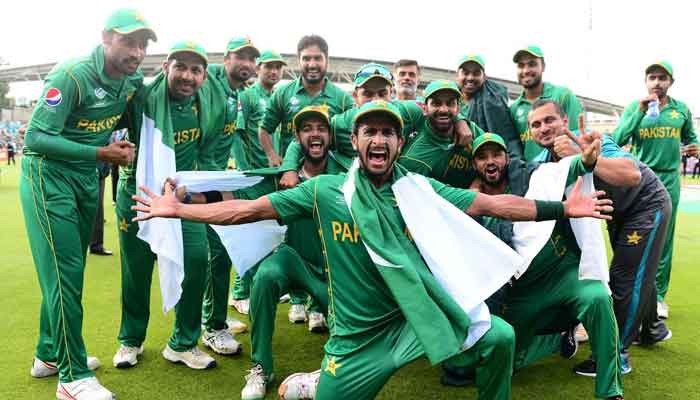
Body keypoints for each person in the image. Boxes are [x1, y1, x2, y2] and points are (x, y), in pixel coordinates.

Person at [132, 100, 613, 400]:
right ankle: (317, 382)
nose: (379, 139)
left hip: (414, 317)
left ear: (399, 142)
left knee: (500, 337)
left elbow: (491, 203)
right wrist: (178, 210)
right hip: (357, 339)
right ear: (357, 141)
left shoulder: (419, 189)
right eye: (370, 131)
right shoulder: (326, 192)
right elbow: (248, 210)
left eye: (388, 132)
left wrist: (562, 208)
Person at [19, 8, 155, 400]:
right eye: (128, 41)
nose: (136, 51)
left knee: (70, 271)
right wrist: (101, 153)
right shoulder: (72, 75)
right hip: (48, 177)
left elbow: (128, 119)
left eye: (142, 44)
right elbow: (35, 139)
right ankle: (72, 376)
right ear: (106, 37)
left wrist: (121, 148)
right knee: (64, 275)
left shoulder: (131, 81)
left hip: (85, 179)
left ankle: (48, 355)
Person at [175, 106, 347, 399]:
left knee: (348, 331)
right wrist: (188, 196)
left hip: (336, 270)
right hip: (293, 260)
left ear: (330, 136)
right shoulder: (282, 178)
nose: (315, 134)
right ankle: (261, 367)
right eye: (307, 129)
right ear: (297, 138)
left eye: (321, 128)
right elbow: (235, 196)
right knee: (266, 277)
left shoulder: (346, 174)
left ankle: (338, 370)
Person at [469, 127, 624, 399]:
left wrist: (586, 160)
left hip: (563, 274)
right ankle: (557, 340)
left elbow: (564, 170)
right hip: (521, 291)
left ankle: (610, 391)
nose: (490, 161)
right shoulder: (472, 202)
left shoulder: (533, 177)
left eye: (496, 154)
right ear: (474, 164)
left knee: (598, 297)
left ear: (507, 158)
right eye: (482, 157)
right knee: (504, 361)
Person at [531, 99, 673, 376]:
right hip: (616, 213)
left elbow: (631, 175)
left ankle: (615, 355)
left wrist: (587, 157)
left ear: (564, 122)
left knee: (625, 276)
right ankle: (653, 329)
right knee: (637, 271)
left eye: (549, 120)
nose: (543, 128)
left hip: (646, 205)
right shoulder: (544, 161)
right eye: (536, 124)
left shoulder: (593, 141)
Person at [113, 41, 227, 371]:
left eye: (195, 70)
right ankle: (131, 339)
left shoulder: (210, 104)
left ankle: (183, 343)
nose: (187, 76)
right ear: (165, 68)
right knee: (136, 270)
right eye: (180, 67)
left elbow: (208, 154)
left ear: (204, 76)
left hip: (182, 199)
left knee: (196, 262)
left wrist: (198, 190)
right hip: (140, 193)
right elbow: (108, 122)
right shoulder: (141, 97)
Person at [612, 61, 698, 319]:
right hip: (639, 179)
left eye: (662, 77)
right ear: (646, 81)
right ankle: (627, 290)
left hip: (669, 179)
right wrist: (638, 112)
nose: (657, 82)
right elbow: (616, 139)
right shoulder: (634, 107)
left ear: (671, 81)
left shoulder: (681, 110)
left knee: (664, 239)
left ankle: (658, 297)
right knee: (631, 236)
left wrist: (695, 147)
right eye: (652, 77)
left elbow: (691, 138)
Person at [199, 37, 260, 351]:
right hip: (198, 182)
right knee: (210, 255)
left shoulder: (236, 93)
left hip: (215, 180)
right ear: (226, 59)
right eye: (240, 56)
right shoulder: (209, 82)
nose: (246, 63)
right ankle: (209, 326)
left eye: (251, 58)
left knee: (217, 254)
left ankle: (213, 318)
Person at [258, 35, 353, 167]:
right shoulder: (282, 94)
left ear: (327, 60)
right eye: (306, 58)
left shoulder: (343, 99)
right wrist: (272, 155)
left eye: (318, 58)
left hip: (330, 174)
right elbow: (264, 129)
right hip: (291, 173)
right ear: (299, 61)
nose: (312, 64)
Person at [399, 80, 483, 188]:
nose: (444, 109)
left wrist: (478, 182)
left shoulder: (471, 130)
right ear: (424, 108)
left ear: (458, 109)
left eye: (450, 103)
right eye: (436, 103)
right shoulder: (413, 159)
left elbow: (497, 157)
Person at [510, 45, 584, 161]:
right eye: (521, 65)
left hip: (566, 167)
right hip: (533, 170)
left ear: (543, 66)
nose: (526, 70)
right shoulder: (514, 108)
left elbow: (577, 136)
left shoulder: (563, 95)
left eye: (532, 64)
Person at [456, 54, 520, 158]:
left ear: (484, 77)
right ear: (457, 76)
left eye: (476, 73)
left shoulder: (494, 101)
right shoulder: (449, 100)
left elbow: (507, 136)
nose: (470, 78)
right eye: (465, 73)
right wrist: (459, 119)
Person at [89, 160, 113, 255]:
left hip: (95, 169)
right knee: (97, 208)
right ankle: (96, 245)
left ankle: (95, 244)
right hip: (93, 169)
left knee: (97, 208)